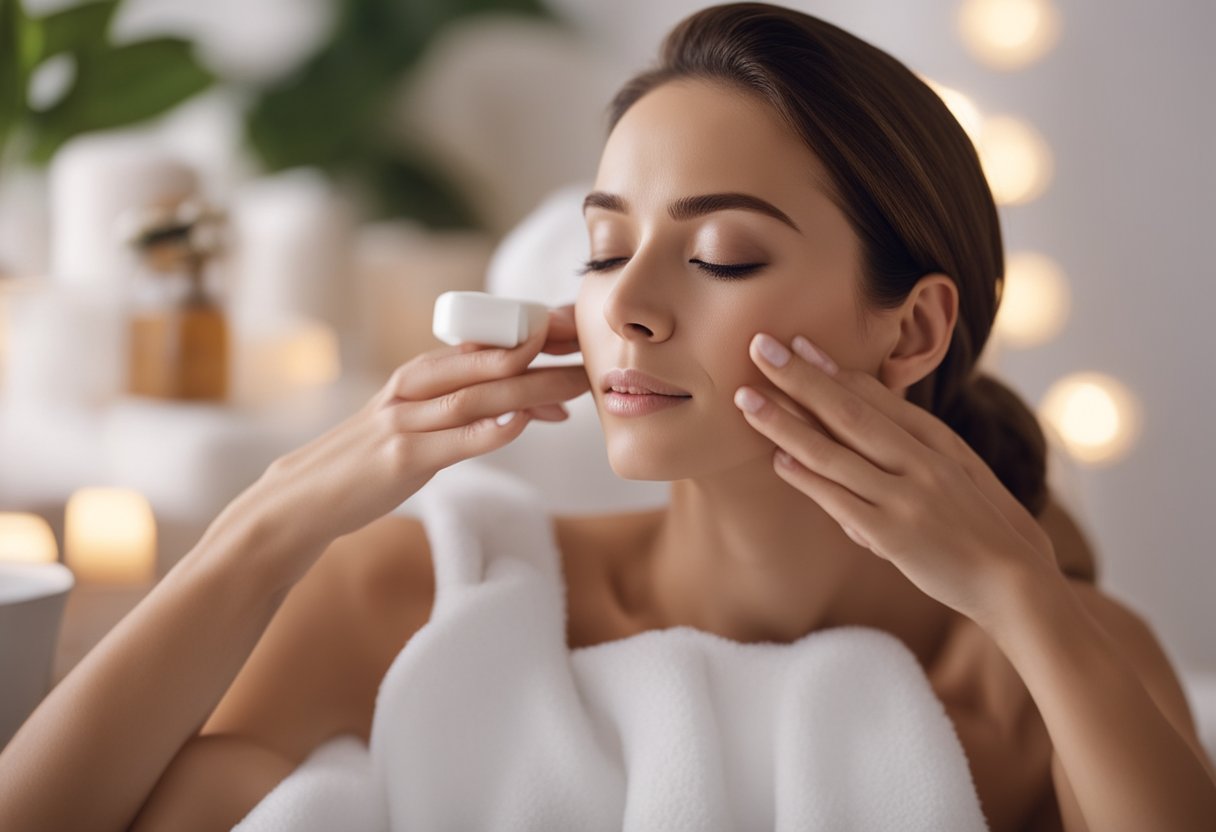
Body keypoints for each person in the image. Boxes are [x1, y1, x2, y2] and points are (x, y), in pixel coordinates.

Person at [2, 3, 1214, 830]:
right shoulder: (417, 593)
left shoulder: (1046, 666)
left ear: (908, 330)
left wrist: (1018, 593)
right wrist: (271, 521)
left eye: (724, 255)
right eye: (602, 247)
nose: (623, 305)